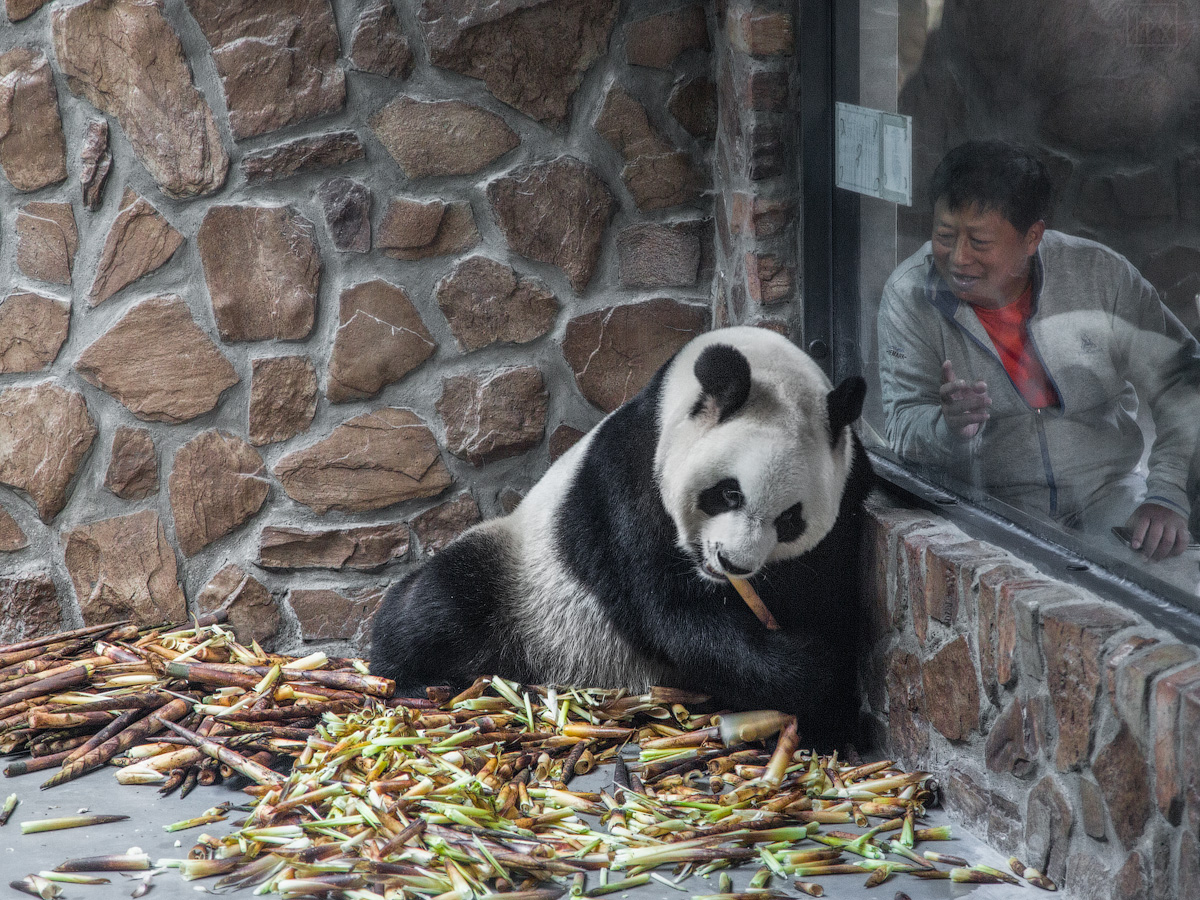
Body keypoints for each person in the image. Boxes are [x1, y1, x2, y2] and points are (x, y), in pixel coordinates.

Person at [878, 139, 1200, 561]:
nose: (957, 258)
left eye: (978, 241)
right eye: (944, 235)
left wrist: (1168, 492)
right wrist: (947, 429)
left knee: (1172, 578)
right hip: (993, 509)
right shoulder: (909, 298)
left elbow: (1181, 380)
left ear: (1032, 237)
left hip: (1110, 491)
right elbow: (901, 427)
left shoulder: (1101, 275)